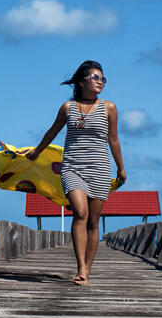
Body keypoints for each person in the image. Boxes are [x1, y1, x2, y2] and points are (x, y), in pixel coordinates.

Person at [26, 60, 126, 285]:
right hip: (72, 167)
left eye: (103, 79)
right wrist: (37, 152)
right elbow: (52, 131)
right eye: (95, 77)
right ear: (82, 82)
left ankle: (87, 269)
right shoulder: (67, 108)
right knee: (80, 213)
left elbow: (113, 139)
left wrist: (120, 167)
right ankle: (80, 266)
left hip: (100, 169)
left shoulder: (109, 107)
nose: (100, 82)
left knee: (93, 221)